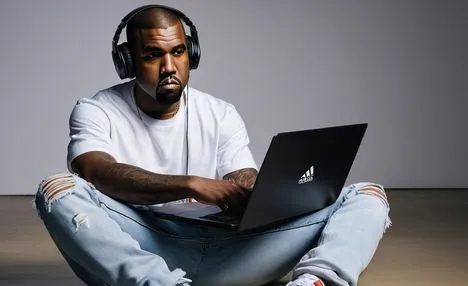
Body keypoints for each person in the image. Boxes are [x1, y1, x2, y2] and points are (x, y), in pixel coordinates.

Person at [34, 5, 391, 286]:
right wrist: (190, 183)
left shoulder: (220, 113)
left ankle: (315, 282)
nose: (169, 67)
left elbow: (242, 174)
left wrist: (260, 193)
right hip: (145, 244)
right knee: (58, 189)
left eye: (178, 52)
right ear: (127, 61)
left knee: (366, 195)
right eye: (152, 55)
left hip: (232, 250)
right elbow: (96, 170)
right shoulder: (95, 110)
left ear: (192, 54)